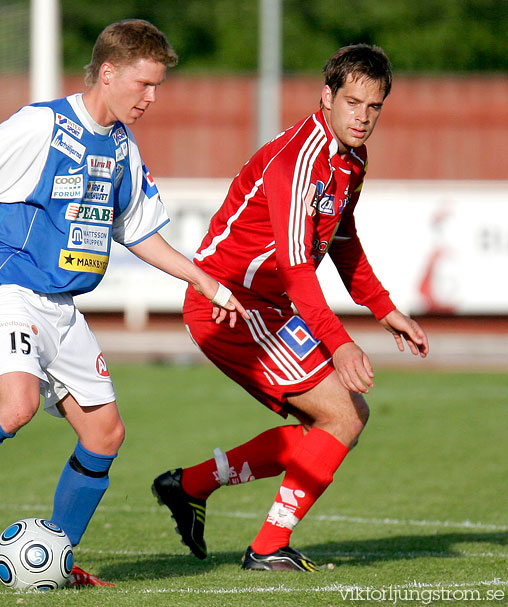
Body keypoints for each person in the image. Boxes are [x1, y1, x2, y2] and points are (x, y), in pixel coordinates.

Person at [0, 19, 247, 586]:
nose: (151, 98)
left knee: (105, 433)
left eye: (158, 88)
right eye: (144, 85)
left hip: (60, 305)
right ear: (109, 71)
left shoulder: (122, 147)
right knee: (15, 406)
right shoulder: (41, 125)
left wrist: (208, 284)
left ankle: (55, 558)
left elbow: (140, 233)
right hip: (4, 287)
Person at [152, 44, 429, 572]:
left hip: (268, 304)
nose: (363, 117)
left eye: (374, 108)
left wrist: (384, 308)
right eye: (352, 103)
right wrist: (339, 342)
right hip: (228, 302)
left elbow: (342, 239)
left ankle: (188, 486)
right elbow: (298, 265)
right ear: (326, 97)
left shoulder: (351, 159)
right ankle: (266, 547)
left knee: (332, 423)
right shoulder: (300, 159)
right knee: (342, 416)